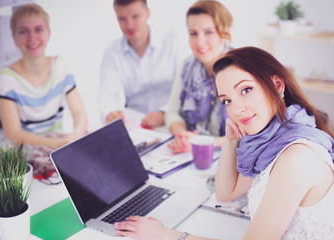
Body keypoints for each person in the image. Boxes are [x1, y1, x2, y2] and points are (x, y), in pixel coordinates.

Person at [114, 47, 334, 239]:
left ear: (277, 84)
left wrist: (166, 235)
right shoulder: (271, 141)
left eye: (246, 90)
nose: (237, 109)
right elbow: (225, 193)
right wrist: (231, 142)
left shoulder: (296, 157)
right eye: (227, 100)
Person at [0, 4, 88, 175]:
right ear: (14, 38)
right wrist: (58, 145)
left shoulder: (61, 66)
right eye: (23, 31)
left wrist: (77, 136)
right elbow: (14, 134)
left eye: (38, 29)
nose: (32, 38)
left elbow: (79, 113)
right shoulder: (5, 78)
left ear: (48, 34)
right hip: (24, 155)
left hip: (57, 144)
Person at [98, 0, 186, 128]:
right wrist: (110, 113)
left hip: (172, 119)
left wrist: (164, 112)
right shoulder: (112, 52)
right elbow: (107, 94)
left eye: (135, 16)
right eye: (122, 18)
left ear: (147, 14)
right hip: (135, 122)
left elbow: (185, 88)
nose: (129, 25)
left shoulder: (173, 41)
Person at [165, 0, 232, 154]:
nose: (200, 42)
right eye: (193, 33)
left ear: (225, 32)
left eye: (209, 32)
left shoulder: (242, 69)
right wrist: (182, 135)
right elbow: (172, 112)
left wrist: (202, 143)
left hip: (229, 156)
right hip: (191, 153)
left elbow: (250, 132)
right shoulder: (186, 65)